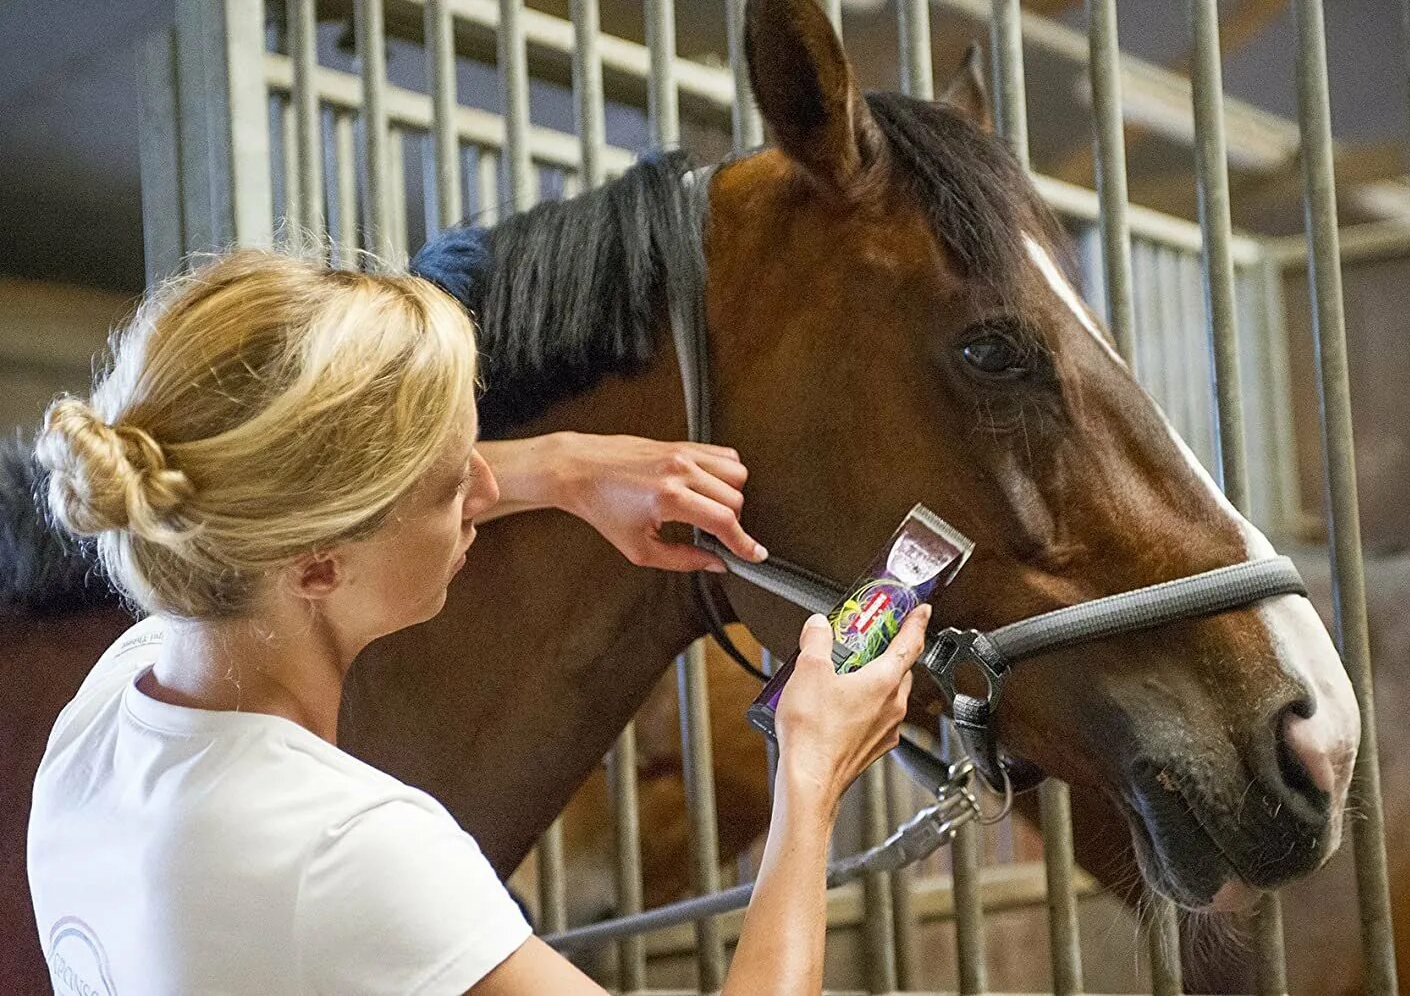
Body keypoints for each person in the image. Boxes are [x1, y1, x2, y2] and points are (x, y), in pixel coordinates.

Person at [27, 249, 927, 995]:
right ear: (316, 564)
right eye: (455, 479)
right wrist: (810, 776)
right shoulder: (349, 849)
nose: (489, 489)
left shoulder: (107, 712)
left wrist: (562, 468)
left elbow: (279, 504)